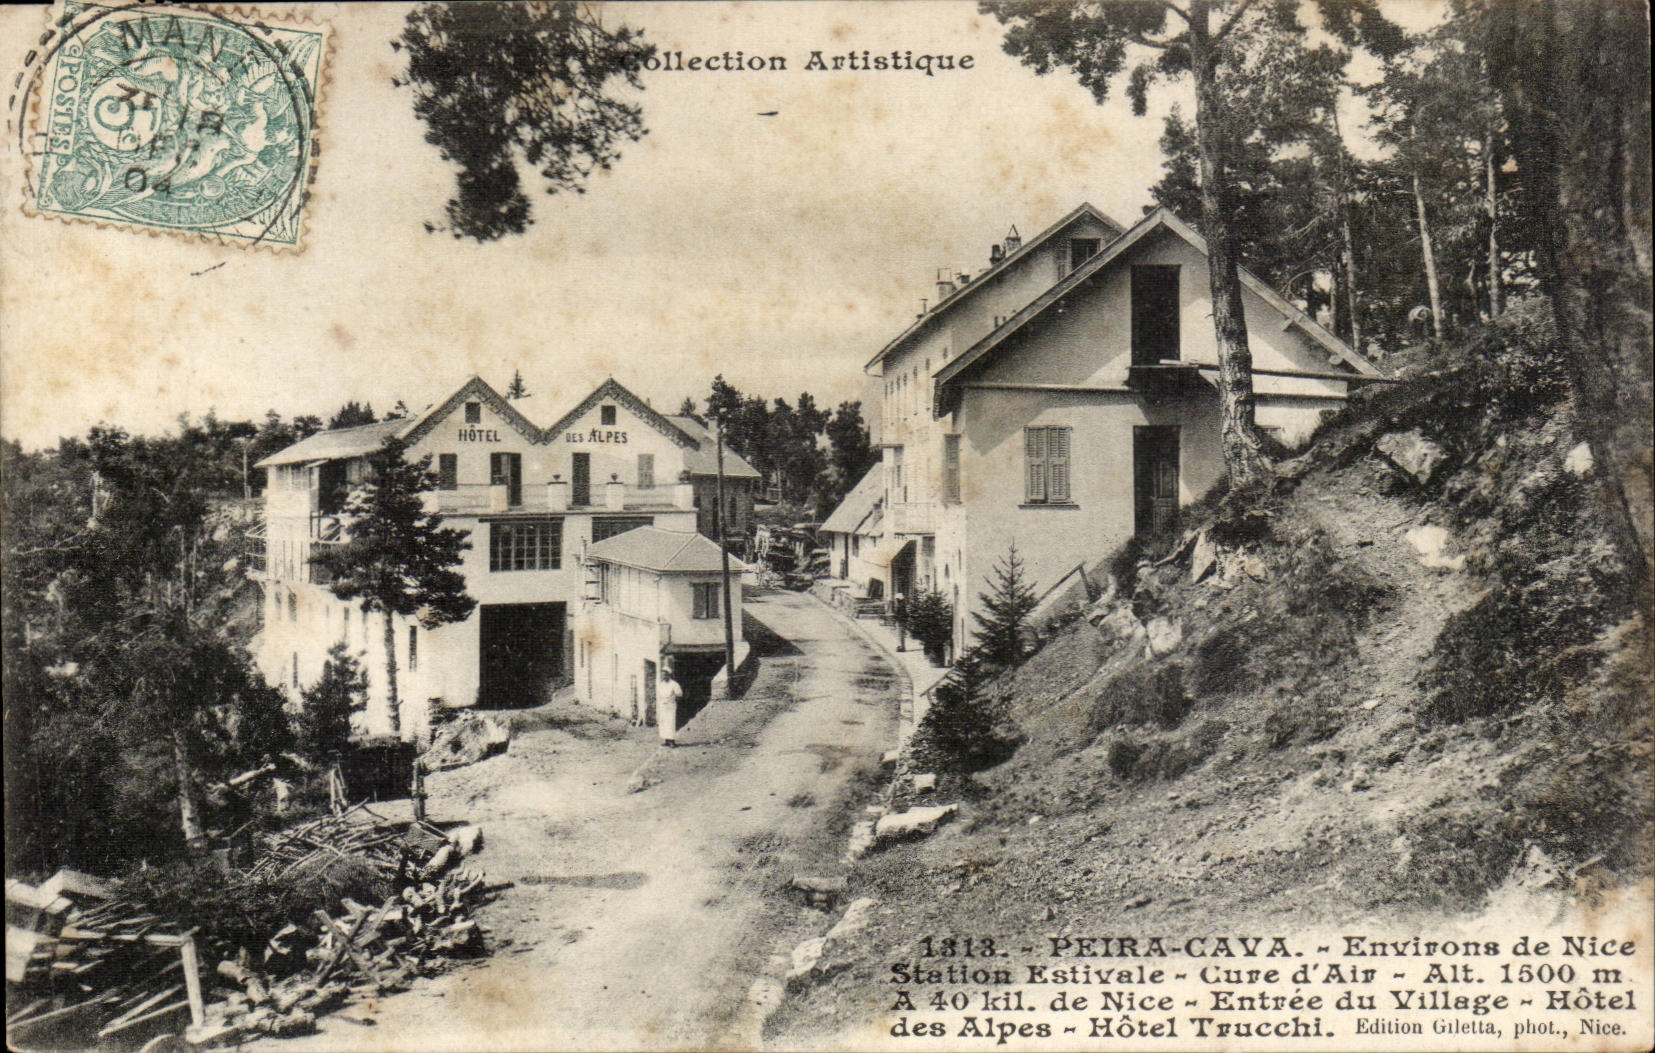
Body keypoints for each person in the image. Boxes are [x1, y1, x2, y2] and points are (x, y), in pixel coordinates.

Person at [658, 669, 683, 748]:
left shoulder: (674, 684)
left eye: (665, 675)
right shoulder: (661, 684)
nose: (663, 676)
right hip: (662, 706)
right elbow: (659, 696)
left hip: (670, 706)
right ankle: (666, 740)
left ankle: (672, 741)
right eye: (662, 675)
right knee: (663, 723)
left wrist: (673, 700)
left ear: (669, 675)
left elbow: (679, 694)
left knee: (670, 723)